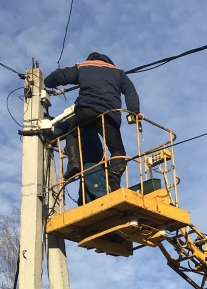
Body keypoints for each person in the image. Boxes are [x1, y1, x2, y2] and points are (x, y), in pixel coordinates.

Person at [44, 52, 141, 192]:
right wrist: (134, 112)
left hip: (86, 110)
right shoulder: (118, 72)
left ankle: (74, 163)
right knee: (118, 151)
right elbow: (130, 91)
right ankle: (114, 180)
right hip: (108, 114)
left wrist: (47, 82)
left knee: (73, 134)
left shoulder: (84, 66)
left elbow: (61, 75)